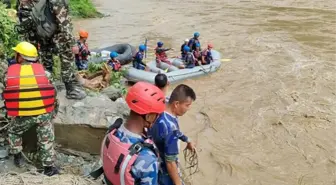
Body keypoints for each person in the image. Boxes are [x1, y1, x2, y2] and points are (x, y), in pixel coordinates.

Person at [1, 42, 59, 176]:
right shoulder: (45, 73)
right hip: (43, 114)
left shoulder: (8, 75)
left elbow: (8, 91)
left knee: (13, 131)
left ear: (20, 57)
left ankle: (17, 158)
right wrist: (52, 112)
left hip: (23, 115)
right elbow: (53, 93)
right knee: (46, 138)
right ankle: (49, 168)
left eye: (16, 53)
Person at [93, 81, 166, 185]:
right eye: (156, 115)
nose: (157, 118)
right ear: (148, 116)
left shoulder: (112, 132)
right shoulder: (147, 158)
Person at [16, 0, 86, 100]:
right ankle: (71, 89)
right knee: (67, 55)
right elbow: (64, 23)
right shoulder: (57, 1)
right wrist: (72, 43)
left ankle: (46, 87)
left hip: (36, 35)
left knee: (44, 58)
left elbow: (22, 19)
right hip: (56, 35)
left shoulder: (23, 1)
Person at [149, 84, 196, 185]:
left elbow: (175, 131)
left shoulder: (163, 106)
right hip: (164, 169)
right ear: (176, 104)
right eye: (187, 105)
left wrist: (187, 139)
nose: (189, 108)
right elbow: (170, 163)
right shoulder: (171, 130)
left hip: (154, 152)